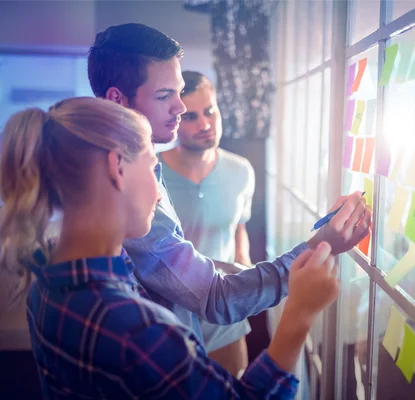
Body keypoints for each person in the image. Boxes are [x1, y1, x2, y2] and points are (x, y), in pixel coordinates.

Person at [0, 96, 341, 398]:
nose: (160, 192)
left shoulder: (45, 280)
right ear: (117, 168)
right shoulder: (140, 332)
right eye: (152, 167)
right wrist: (300, 314)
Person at [87, 22, 372, 347]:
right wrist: (321, 246)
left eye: (179, 92)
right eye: (165, 95)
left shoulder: (148, 165)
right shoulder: (122, 184)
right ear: (118, 99)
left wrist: (242, 269)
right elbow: (214, 297)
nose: (180, 108)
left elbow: (189, 262)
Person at [159, 71, 254, 376]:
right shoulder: (151, 173)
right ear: (174, 120)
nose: (205, 124)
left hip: (225, 309)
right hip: (169, 315)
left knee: (234, 387)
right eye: (191, 117)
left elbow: (239, 227)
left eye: (210, 111)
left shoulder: (242, 171)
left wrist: (244, 265)